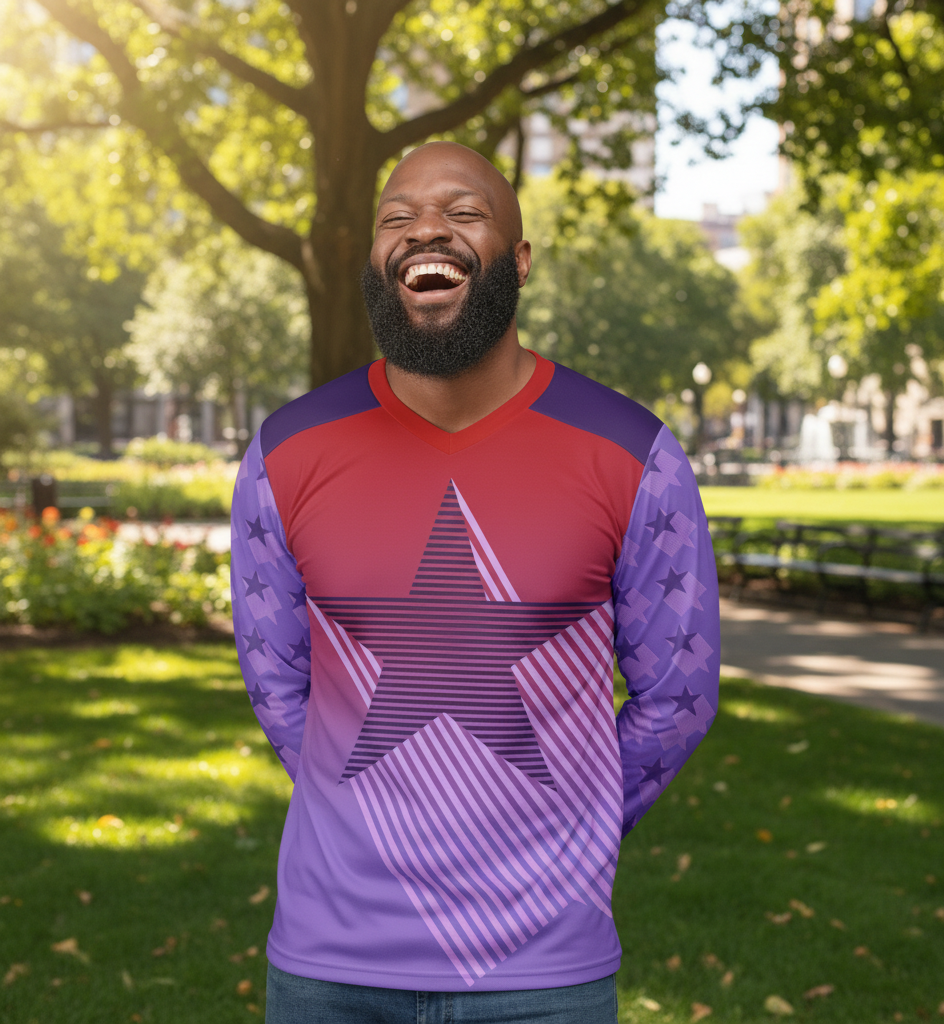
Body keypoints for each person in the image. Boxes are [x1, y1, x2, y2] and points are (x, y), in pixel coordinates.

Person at [230, 141, 720, 1024]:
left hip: (545, 973)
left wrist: (576, 822)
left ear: (519, 260)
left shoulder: (633, 453)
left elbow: (677, 698)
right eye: (398, 216)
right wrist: (363, 813)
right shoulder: (285, 451)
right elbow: (278, 683)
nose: (427, 228)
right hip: (329, 968)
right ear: (375, 261)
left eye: (464, 212)